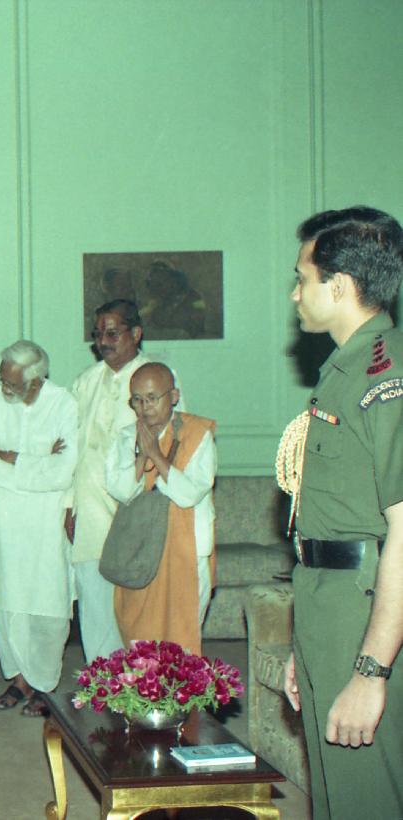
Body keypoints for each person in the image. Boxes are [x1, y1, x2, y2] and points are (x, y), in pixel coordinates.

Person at [281, 206, 403, 820]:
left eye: (302, 278)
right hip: (330, 608)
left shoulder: (387, 375)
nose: (294, 294)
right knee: (335, 799)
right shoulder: (342, 372)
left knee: (368, 798)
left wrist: (371, 671)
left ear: (341, 286)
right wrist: (306, 646)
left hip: (365, 611)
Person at [66, 299, 183, 662]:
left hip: (136, 507)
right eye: (98, 333)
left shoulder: (157, 378)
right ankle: (102, 680)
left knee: (137, 604)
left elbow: (172, 444)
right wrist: (69, 505)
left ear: (136, 333)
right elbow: (72, 449)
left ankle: (139, 683)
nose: (103, 341)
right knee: (94, 599)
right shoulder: (86, 381)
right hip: (90, 507)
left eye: (113, 333)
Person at [0, 341, 77, 718]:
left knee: (48, 601)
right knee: (8, 601)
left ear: (36, 381)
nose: (3, 387)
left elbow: (64, 472)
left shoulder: (63, 404)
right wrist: (39, 462)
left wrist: (16, 459)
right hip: (4, 516)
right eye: (2, 378)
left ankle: (44, 684)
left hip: (48, 519)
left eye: (12, 383)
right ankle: (19, 680)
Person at [104, 362, 216, 655]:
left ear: (174, 396)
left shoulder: (198, 434)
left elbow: (189, 494)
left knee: (182, 643)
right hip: (140, 549)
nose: (144, 408)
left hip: (186, 551)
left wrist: (156, 454)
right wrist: (142, 455)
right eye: (137, 400)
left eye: (152, 398)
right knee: (139, 641)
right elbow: (120, 490)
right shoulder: (126, 436)